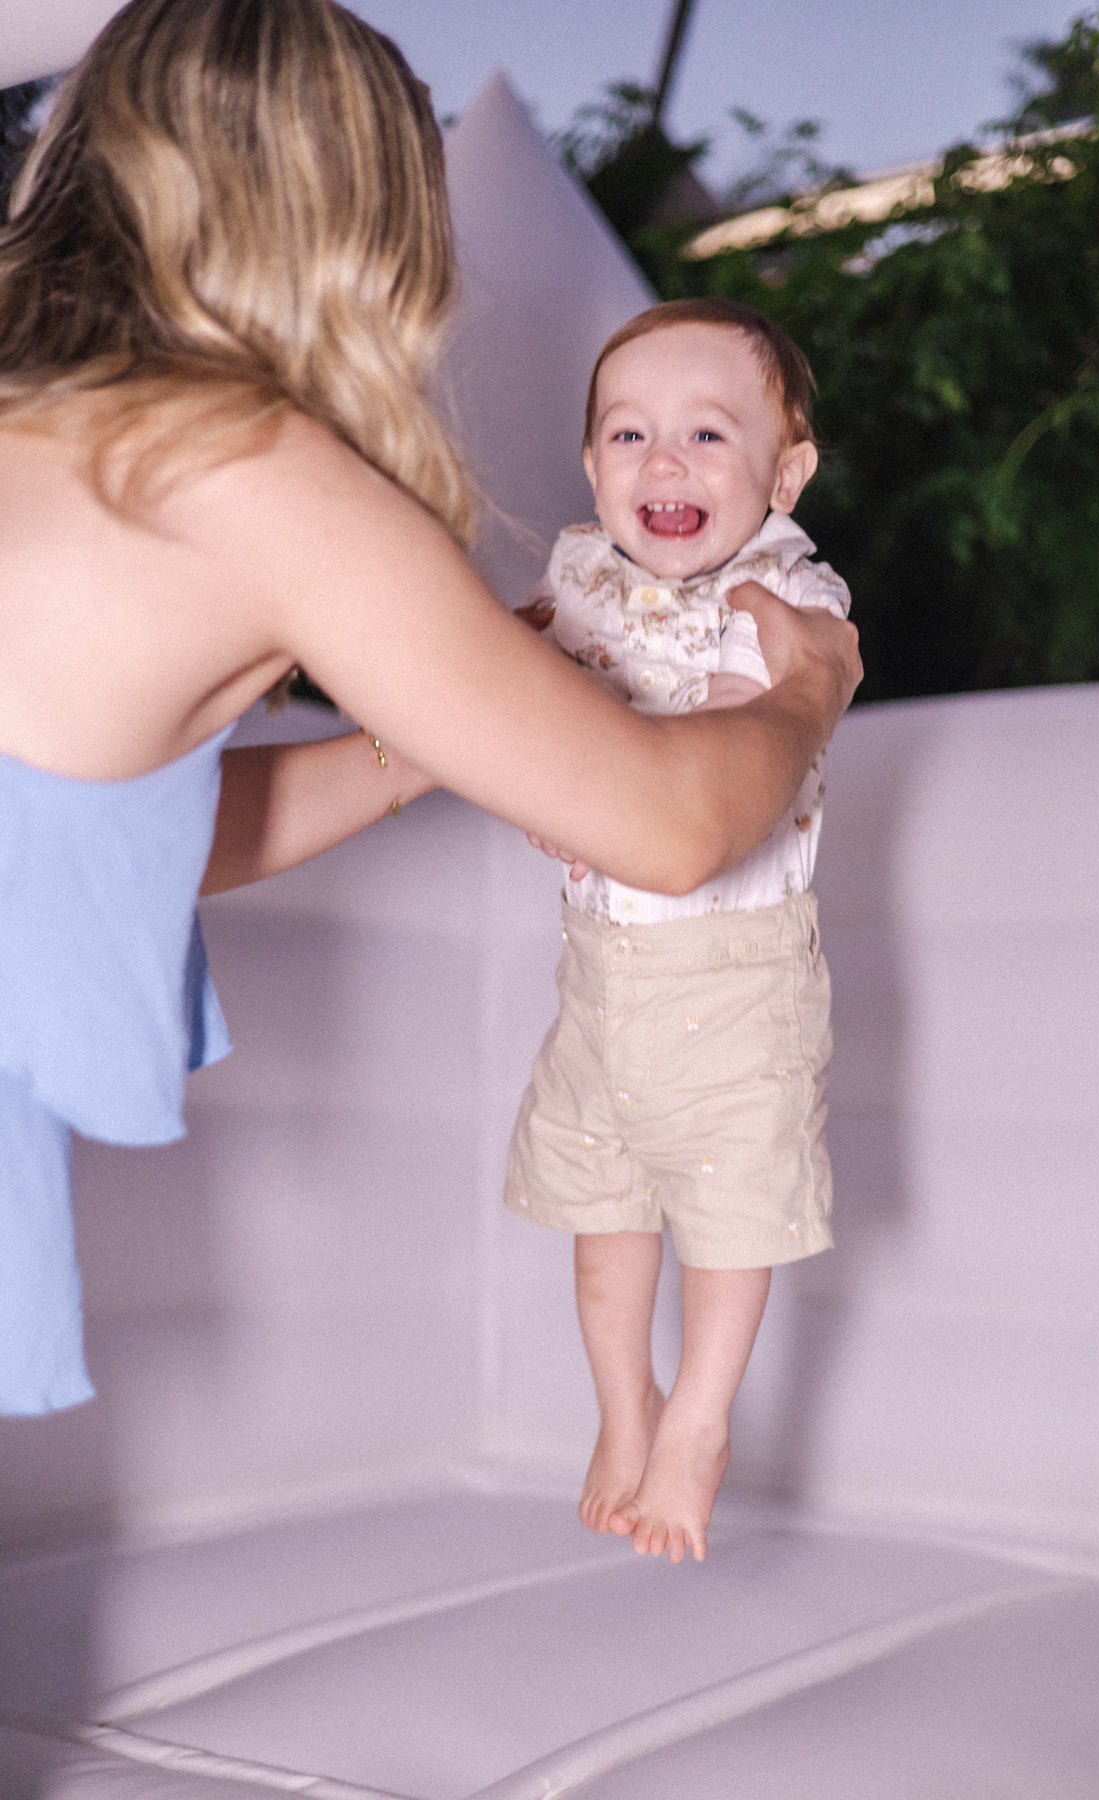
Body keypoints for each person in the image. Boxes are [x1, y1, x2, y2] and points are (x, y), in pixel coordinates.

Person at [0, 0, 859, 1419]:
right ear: (369, 222)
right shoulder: (255, 471)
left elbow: (108, 833)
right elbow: (675, 832)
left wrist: (436, 734)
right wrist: (815, 683)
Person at [505, 299, 850, 1564]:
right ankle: (624, 1408)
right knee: (602, 1206)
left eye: (709, 434)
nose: (665, 461)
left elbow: (724, 750)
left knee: (729, 1207)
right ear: (592, 464)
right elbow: (513, 693)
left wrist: (590, 781)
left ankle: (698, 1421)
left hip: (734, 972)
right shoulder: (580, 575)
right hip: (600, 971)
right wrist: (534, 765)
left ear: (784, 474)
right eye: (629, 433)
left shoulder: (786, 594)